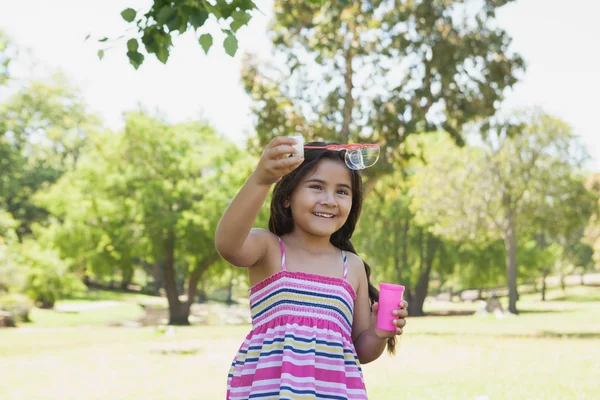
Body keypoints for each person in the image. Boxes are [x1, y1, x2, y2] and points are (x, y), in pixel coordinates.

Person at [215, 136, 409, 399]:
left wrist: (378, 332)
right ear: (287, 197)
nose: (330, 200)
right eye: (316, 187)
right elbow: (227, 245)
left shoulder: (351, 266)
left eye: (342, 191)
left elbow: (360, 350)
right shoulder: (270, 249)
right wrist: (261, 179)